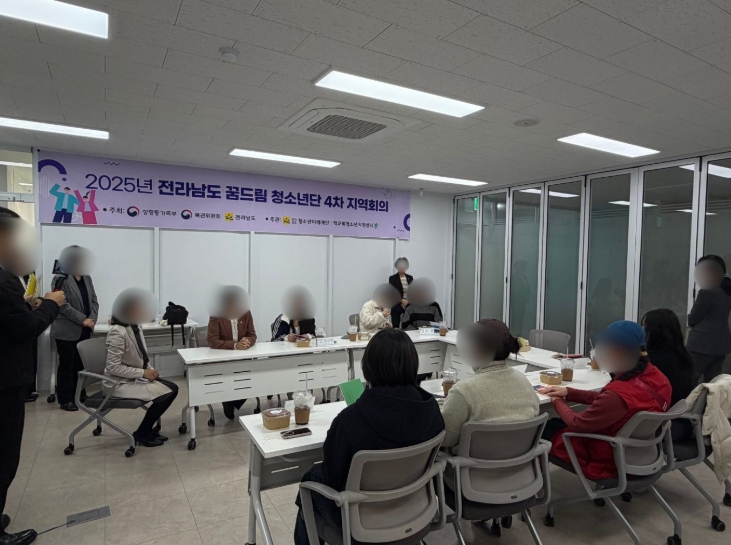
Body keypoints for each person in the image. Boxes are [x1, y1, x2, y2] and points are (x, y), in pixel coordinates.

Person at [292, 329, 444, 545]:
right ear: (413, 364)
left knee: (310, 481)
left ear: (368, 368)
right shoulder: (431, 410)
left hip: (360, 522)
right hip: (415, 508)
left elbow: (334, 477)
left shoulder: (350, 420)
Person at [0, 208, 65, 545]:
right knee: (4, 457)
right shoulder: (3, 281)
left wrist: (29, 305)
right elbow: (23, 329)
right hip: (5, 383)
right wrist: (52, 304)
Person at [540, 321, 672, 481]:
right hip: (641, 453)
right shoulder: (659, 379)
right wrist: (569, 393)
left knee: (542, 429)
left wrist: (556, 401)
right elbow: (609, 402)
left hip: (607, 459)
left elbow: (577, 423)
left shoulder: (617, 395)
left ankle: (530, 483)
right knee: (556, 423)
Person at [441, 319, 539, 448]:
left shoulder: (463, 390)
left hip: (473, 460)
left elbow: (446, 440)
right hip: (522, 457)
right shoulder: (523, 381)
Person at [104, 288, 178, 448]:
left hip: (133, 378)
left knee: (172, 388)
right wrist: (143, 373)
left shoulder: (135, 327)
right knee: (167, 392)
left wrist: (150, 370)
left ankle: (146, 429)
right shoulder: (117, 332)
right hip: (118, 383)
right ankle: (142, 432)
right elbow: (112, 368)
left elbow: (142, 357)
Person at [50, 245, 99, 412]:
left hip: (85, 328)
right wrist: (82, 319)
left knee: (80, 364)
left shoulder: (87, 277)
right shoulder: (60, 278)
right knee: (67, 364)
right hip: (66, 329)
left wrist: (92, 318)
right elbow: (62, 304)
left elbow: (94, 300)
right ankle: (66, 399)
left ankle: (80, 394)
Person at [642, 308, 695, 440]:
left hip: (665, 424)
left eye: (644, 327)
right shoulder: (683, 355)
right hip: (684, 422)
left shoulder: (655, 361)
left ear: (653, 331)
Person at [207, 286, 257, 420]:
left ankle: (232, 403)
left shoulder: (246, 313)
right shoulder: (216, 315)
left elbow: (252, 334)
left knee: (252, 379)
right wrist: (235, 345)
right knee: (234, 379)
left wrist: (247, 341)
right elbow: (212, 340)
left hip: (244, 357)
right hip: (224, 358)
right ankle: (229, 400)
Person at [687, 255, 731, 384]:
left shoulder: (708, 290)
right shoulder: (727, 288)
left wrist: (690, 320)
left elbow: (694, 317)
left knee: (690, 379)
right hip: (721, 343)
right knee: (713, 384)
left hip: (701, 344)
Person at [388, 257, 412, 329]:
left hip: (408, 305)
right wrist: (402, 300)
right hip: (397, 305)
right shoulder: (392, 278)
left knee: (408, 326)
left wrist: (408, 302)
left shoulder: (410, 278)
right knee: (395, 327)